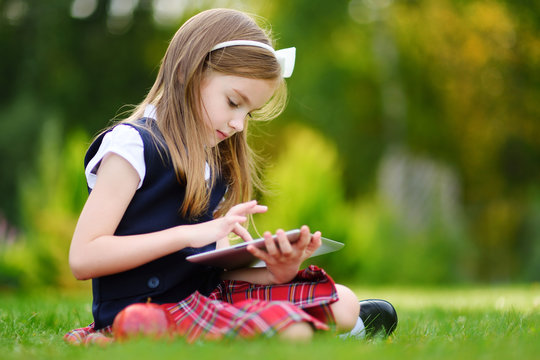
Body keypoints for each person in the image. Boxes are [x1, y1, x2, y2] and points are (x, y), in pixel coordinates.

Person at [64, 8, 397, 344]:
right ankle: (122, 334)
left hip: (205, 300)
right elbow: (84, 258)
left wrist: (276, 271)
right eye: (233, 102)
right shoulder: (134, 145)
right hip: (150, 307)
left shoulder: (215, 161)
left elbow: (213, 273)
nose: (239, 124)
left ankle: (323, 329)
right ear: (186, 74)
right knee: (293, 330)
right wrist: (186, 235)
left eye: (248, 112)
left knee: (345, 302)